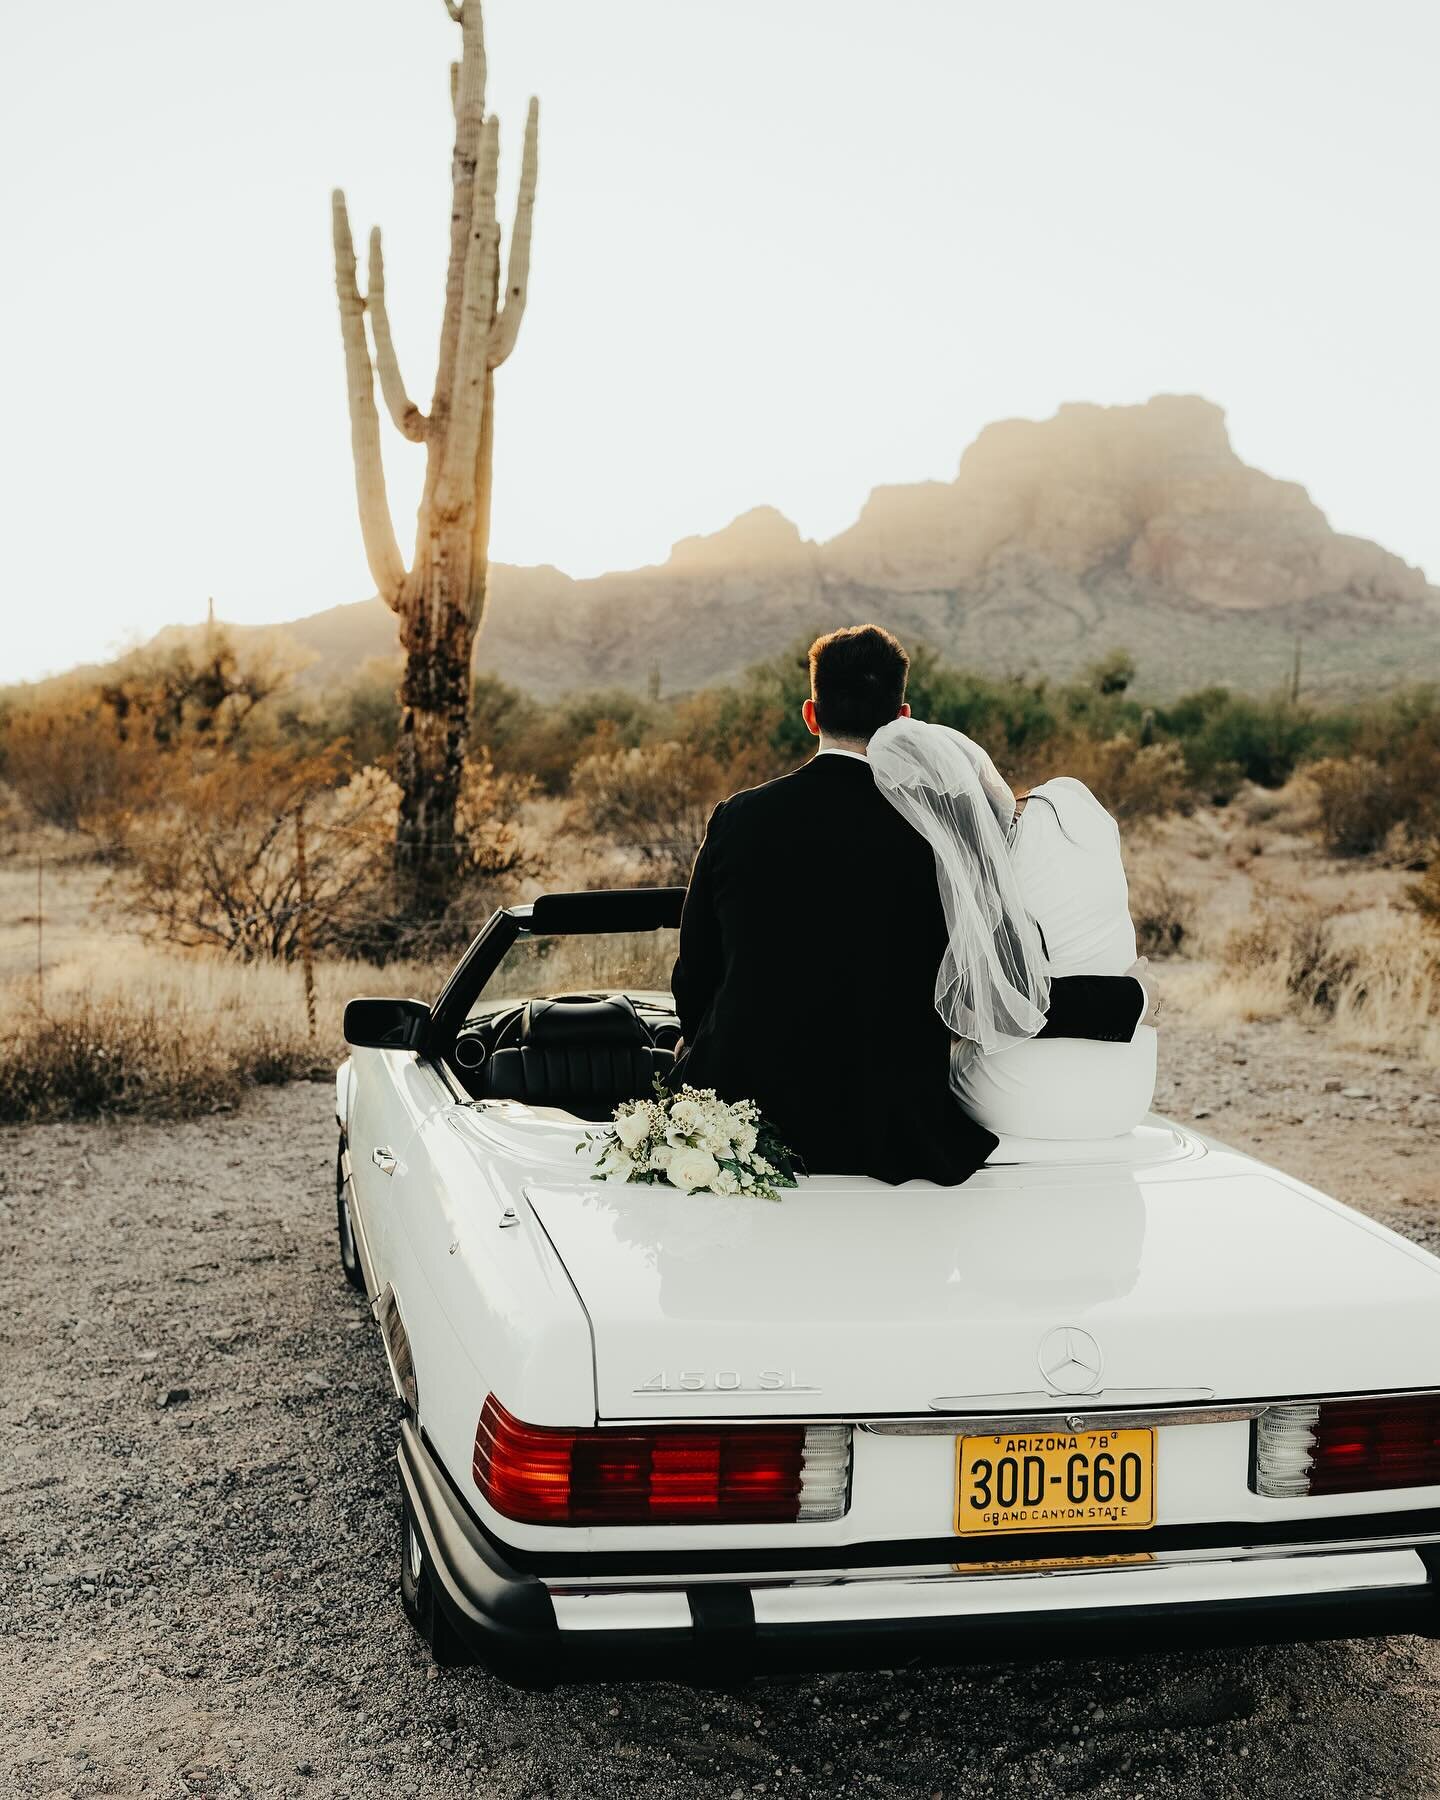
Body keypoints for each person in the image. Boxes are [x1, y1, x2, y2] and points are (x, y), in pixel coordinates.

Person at [669, 624, 1154, 1186]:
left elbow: (696, 977)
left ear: (810, 714)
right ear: (903, 719)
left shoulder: (737, 817)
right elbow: (1000, 992)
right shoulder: (945, 833)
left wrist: (694, 1047)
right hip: (890, 1135)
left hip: (742, 1127)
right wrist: (1130, 998)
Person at [868, 724, 1158, 1140]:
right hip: (1132, 1086)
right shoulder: (1073, 802)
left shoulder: (969, 879)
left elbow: (1004, 1007)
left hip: (1020, 1100)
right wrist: (1136, 996)